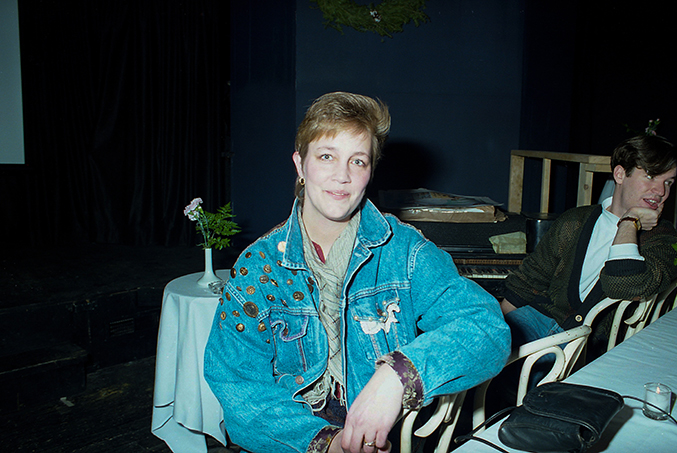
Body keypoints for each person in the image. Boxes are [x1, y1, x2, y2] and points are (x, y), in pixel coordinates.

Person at [204, 92, 510, 453]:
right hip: (293, 437)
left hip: (390, 433)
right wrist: (326, 443)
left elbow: (486, 328)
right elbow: (238, 387)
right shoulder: (259, 268)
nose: (342, 176)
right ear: (300, 165)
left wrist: (398, 376)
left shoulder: (404, 251)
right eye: (327, 156)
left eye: (358, 161)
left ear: (370, 171)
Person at [500, 134, 677, 356]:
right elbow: (528, 281)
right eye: (651, 176)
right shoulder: (575, 220)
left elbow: (623, 285)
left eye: (668, 182)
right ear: (620, 174)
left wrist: (629, 222)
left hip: (590, 343)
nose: (661, 191)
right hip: (536, 319)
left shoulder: (665, 240)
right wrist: (494, 327)